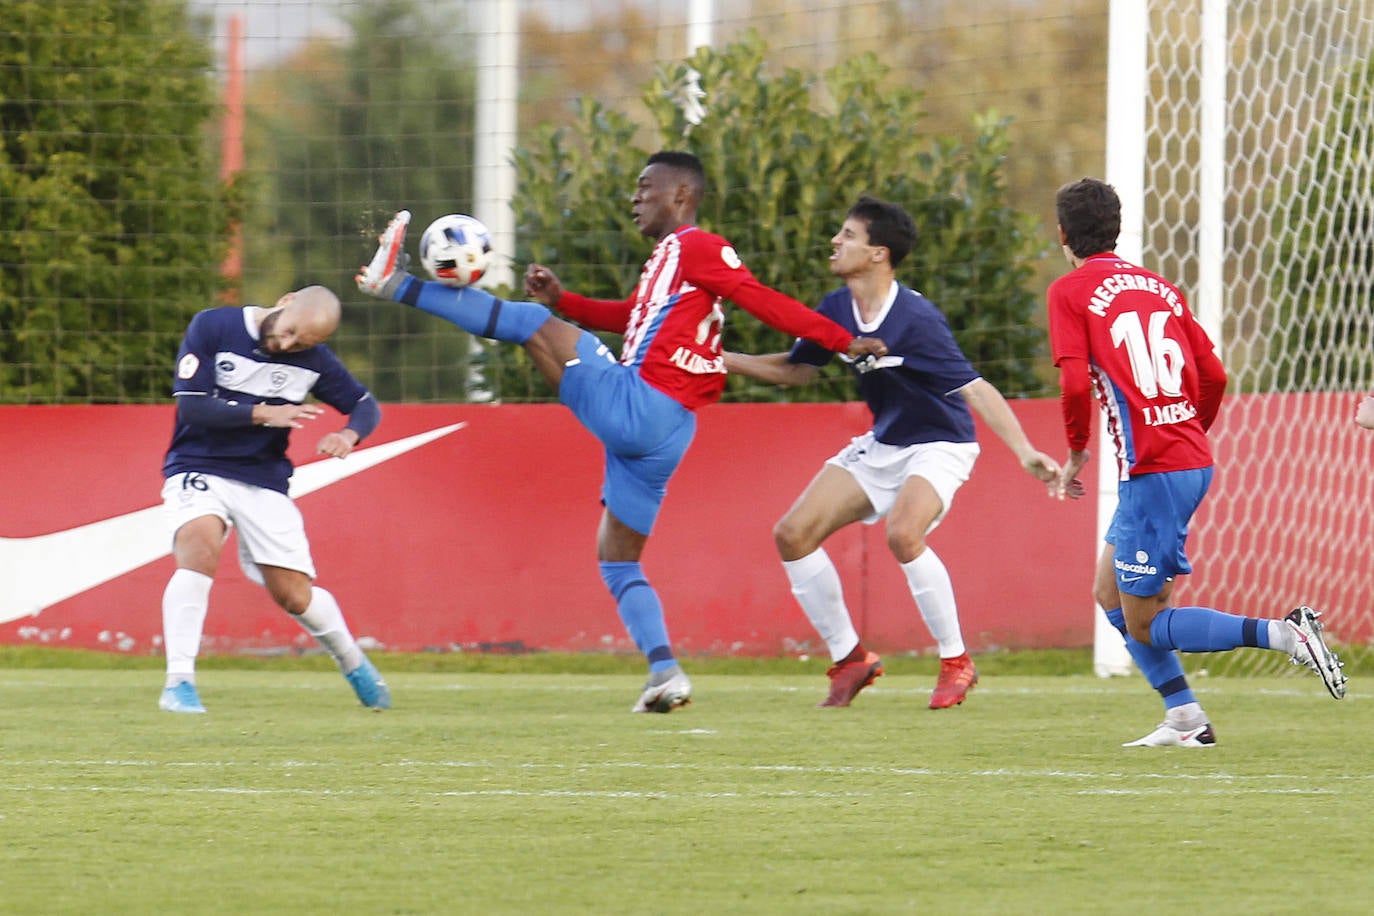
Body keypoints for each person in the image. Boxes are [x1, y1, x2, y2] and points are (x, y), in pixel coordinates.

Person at [355, 151, 888, 713]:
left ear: (681, 195)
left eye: (645, 188)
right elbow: (631, 316)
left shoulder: (697, 246)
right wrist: (565, 302)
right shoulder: (669, 261)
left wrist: (839, 339)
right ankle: (664, 673)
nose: (635, 199)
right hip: (667, 432)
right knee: (618, 558)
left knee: (533, 328)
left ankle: (393, 284)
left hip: (643, 405)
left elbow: (759, 298)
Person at [724, 195, 1061, 709]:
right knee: (792, 534)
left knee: (903, 534)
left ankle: (956, 662)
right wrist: (722, 359)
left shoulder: (916, 317)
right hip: (885, 444)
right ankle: (851, 659)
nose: (835, 242)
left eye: (848, 235)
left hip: (940, 443)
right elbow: (797, 369)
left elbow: (975, 388)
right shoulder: (836, 308)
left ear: (878, 253)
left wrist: (1025, 451)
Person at [1047, 177, 1347, 747]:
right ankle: (1184, 717)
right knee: (1110, 593)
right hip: (1183, 457)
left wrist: (1077, 452)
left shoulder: (1069, 291)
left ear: (1063, 233)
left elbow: (1071, 382)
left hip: (1154, 471)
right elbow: (1215, 376)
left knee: (1145, 622)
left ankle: (1285, 635)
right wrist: (1187, 430)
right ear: (1117, 228)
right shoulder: (1160, 287)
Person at [158, 285, 391, 714]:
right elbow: (192, 407)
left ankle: (353, 662)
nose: (286, 346)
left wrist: (348, 434)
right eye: (287, 333)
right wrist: (265, 412)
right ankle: (179, 683)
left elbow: (364, 404)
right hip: (198, 464)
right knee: (199, 543)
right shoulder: (214, 325)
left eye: (300, 344)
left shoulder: (315, 361)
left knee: (294, 596)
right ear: (285, 301)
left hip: (263, 480)